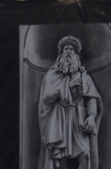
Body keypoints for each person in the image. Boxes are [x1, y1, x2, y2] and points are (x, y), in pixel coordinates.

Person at [38, 35, 102, 169]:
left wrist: (91, 116)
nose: (68, 51)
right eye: (65, 49)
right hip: (59, 118)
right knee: (56, 161)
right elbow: (46, 98)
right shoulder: (52, 75)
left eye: (71, 49)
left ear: (76, 55)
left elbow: (91, 98)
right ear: (60, 54)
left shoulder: (84, 76)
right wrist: (67, 87)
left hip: (79, 118)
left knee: (85, 155)